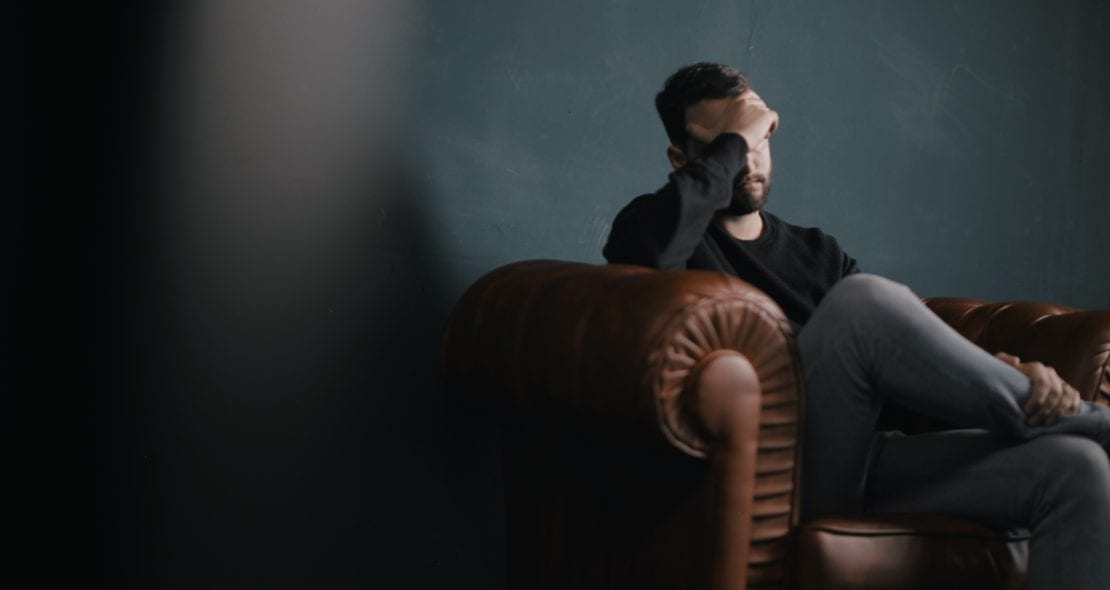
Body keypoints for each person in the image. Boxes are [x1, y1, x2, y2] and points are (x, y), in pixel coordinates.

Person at [603, 62, 1110, 589]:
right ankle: (1093, 421)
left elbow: (895, 386)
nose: (749, 159)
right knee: (863, 301)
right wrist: (738, 134)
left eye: (760, 136)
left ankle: (1065, 425)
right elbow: (645, 261)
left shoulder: (817, 252)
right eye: (733, 142)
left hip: (862, 462)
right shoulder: (653, 227)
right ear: (681, 159)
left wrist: (992, 375)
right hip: (775, 475)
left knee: (1075, 468)